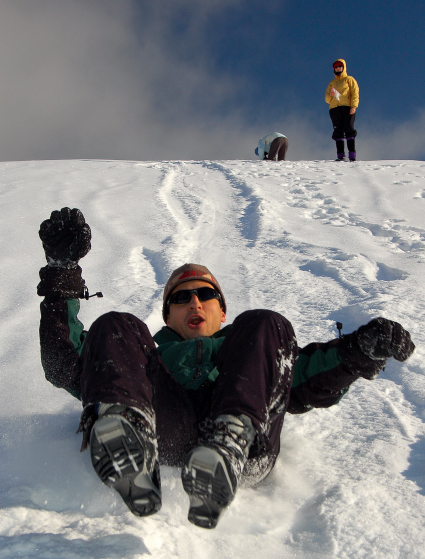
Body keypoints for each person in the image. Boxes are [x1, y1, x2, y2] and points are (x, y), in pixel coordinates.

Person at [37, 208, 415, 529]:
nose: (195, 303)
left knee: (268, 322)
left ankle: (229, 442)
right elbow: (65, 362)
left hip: (249, 444)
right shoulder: (146, 358)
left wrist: (359, 351)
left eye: (205, 294)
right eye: (181, 298)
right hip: (165, 430)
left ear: (221, 309)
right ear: (168, 316)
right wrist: (61, 272)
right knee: (115, 324)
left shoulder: (255, 348)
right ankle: (129, 444)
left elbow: (306, 377)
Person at [325, 59, 359, 161]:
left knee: (349, 129)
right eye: (336, 67)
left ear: (344, 68)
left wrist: (353, 106)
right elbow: (327, 99)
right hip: (335, 109)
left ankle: (352, 155)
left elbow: (355, 93)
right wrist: (330, 96)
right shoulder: (332, 82)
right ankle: (340, 155)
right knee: (338, 131)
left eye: (340, 66)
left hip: (347, 107)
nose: (338, 68)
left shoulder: (349, 79)